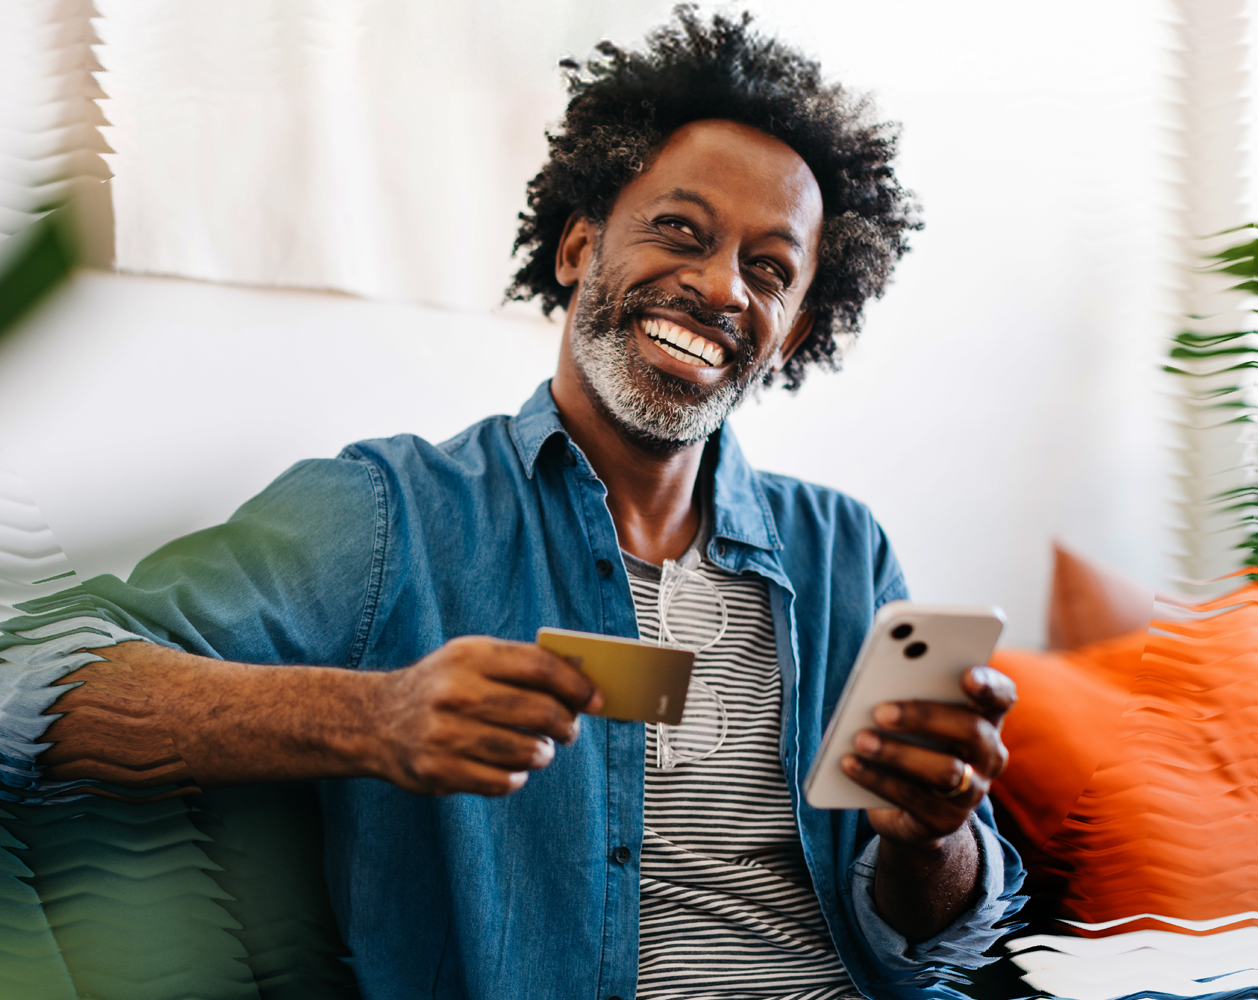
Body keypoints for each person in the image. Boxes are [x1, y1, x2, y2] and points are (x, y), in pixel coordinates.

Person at [7, 9, 1022, 999]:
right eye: (680, 229)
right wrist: (373, 717)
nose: (720, 287)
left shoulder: (843, 545)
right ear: (579, 247)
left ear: (791, 333)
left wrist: (934, 836)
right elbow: (36, 680)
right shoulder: (386, 512)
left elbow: (918, 946)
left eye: (768, 270)